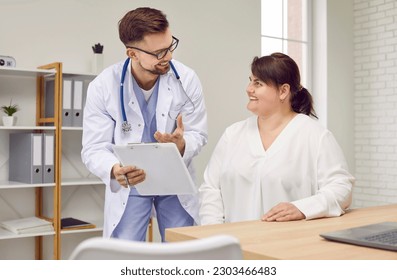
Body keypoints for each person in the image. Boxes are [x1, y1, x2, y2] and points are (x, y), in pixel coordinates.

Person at [81, 7, 208, 241]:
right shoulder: (103, 86)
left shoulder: (187, 80)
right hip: (131, 181)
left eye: (170, 46)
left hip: (175, 180)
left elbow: (198, 133)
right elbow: (93, 148)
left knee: (183, 251)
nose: (168, 56)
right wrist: (114, 169)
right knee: (125, 256)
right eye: (159, 52)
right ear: (132, 53)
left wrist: (181, 145)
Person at [199, 52, 354, 225]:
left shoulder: (315, 136)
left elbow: (341, 188)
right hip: (232, 245)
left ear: (283, 91)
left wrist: (303, 208)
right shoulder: (232, 134)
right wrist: (213, 233)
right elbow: (211, 189)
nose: (249, 88)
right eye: (250, 80)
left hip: (287, 246)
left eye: (258, 83)